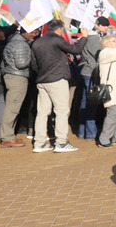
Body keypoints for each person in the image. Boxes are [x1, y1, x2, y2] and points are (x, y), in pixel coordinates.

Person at [30, 20, 89, 152]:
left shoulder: (37, 42)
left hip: (42, 80)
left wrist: (42, 73)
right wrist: (84, 37)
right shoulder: (57, 39)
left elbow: (34, 64)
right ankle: (61, 142)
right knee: (61, 110)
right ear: (60, 29)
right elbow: (76, 50)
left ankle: (39, 143)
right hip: (57, 79)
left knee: (42, 112)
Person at [0, 26, 38, 147]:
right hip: (18, 77)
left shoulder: (13, 42)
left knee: (13, 107)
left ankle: (9, 135)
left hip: (12, 75)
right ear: (25, 32)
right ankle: (7, 138)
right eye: (33, 32)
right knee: (13, 108)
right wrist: (32, 57)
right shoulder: (21, 44)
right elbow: (21, 63)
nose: (35, 34)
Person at [77, 16, 111, 140]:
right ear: (96, 25)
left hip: (89, 72)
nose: (106, 27)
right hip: (92, 73)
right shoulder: (94, 38)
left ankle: (82, 131)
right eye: (103, 25)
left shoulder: (93, 37)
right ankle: (90, 132)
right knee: (92, 102)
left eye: (107, 25)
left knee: (86, 102)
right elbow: (100, 54)